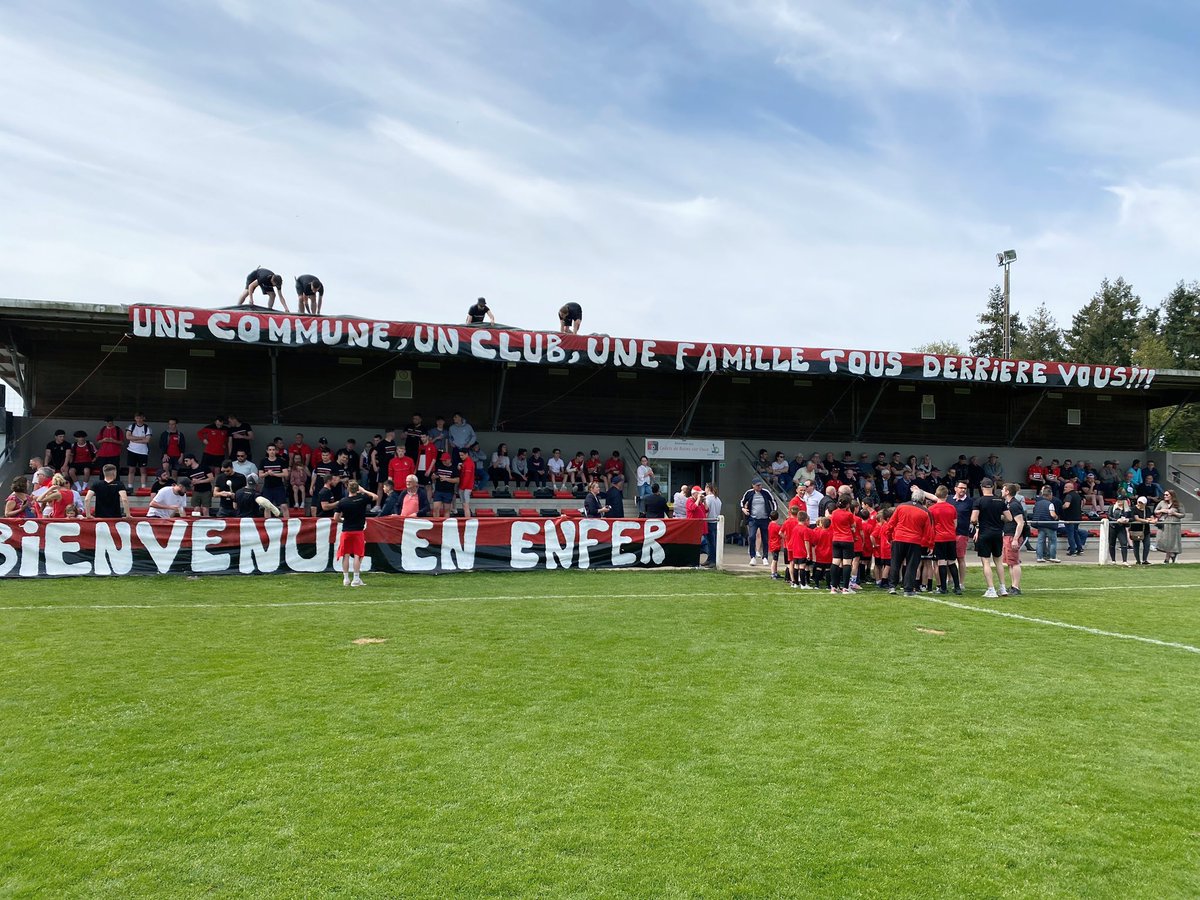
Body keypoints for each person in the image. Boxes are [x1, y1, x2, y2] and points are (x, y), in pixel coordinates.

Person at [971, 478, 1013, 598]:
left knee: (985, 561)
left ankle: (991, 589)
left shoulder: (978, 501)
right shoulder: (1000, 500)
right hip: (997, 533)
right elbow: (1009, 518)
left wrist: (978, 523)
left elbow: (973, 519)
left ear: (982, 487)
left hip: (984, 533)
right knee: (998, 561)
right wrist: (998, 518)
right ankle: (1003, 587)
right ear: (993, 487)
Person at [334, 480, 378, 587]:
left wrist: (343, 521)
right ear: (357, 489)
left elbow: (336, 518)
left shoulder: (342, 501)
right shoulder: (362, 498)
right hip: (358, 531)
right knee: (358, 555)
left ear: (347, 489)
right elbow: (375, 497)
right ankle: (356, 579)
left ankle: (345, 579)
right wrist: (364, 490)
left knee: (346, 555)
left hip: (346, 531)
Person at [930, 485, 962, 594]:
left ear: (936, 494)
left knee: (941, 562)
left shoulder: (932, 509)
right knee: (952, 561)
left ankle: (943, 587)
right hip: (951, 537)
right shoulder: (951, 507)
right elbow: (955, 524)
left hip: (939, 538)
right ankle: (957, 586)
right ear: (947, 495)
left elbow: (931, 525)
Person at [741, 477, 777, 566]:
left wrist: (773, 513)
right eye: (757, 485)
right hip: (753, 519)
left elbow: (773, 501)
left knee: (765, 538)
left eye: (760, 485)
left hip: (765, 519)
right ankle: (752, 557)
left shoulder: (765, 492)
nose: (759, 487)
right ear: (753, 486)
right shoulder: (749, 493)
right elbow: (742, 501)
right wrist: (744, 509)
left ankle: (765, 557)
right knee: (752, 536)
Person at [1000, 482, 1026, 595]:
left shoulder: (1014, 505)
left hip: (1012, 536)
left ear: (1007, 492)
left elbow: (1020, 522)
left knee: (1014, 562)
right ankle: (1013, 585)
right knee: (1010, 562)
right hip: (1008, 534)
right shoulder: (1008, 503)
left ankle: (1016, 587)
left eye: (1003, 489)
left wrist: (1015, 539)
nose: (1001, 491)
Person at [258, 444, 289, 519]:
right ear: (267, 451)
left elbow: (286, 473)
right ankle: (267, 525)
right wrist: (267, 473)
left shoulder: (281, 461)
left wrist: (274, 474)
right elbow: (260, 475)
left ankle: (288, 523)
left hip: (279, 487)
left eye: (273, 450)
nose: (272, 451)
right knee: (267, 507)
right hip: (268, 487)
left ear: (276, 451)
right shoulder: (263, 461)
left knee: (283, 506)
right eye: (270, 450)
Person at [1154, 490, 1184, 563]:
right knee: (1163, 540)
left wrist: (1174, 513)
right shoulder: (1162, 503)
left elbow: (1182, 515)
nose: (1165, 496)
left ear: (1171, 495)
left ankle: (1167, 558)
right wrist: (1162, 510)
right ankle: (1172, 555)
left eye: (1167, 495)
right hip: (1164, 524)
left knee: (1172, 541)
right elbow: (1155, 511)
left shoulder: (1178, 504)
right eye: (1164, 495)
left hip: (1174, 525)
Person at [1032, 486, 1059, 563]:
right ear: (1049, 495)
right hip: (1049, 525)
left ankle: (1039, 557)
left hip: (1040, 524)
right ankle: (1052, 557)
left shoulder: (1037, 503)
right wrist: (1057, 517)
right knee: (1053, 541)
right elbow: (1053, 515)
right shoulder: (1050, 504)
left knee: (1040, 541)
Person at [125, 413, 152, 490]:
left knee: (143, 470)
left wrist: (134, 439)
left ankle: (143, 487)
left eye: (140, 418)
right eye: (137, 418)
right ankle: (130, 486)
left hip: (143, 452)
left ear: (143, 418)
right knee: (131, 469)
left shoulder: (147, 428)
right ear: (135, 418)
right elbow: (128, 437)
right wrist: (141, 438)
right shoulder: (131, 426)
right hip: (131, 450)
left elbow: (147, 440)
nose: (139, 419)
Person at [1060, 480, 1084, 556]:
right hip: (1077, 517)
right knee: (1075, 533)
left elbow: (1066, 505)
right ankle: (1079, 548)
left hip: (1069, 518)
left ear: (1071, 488)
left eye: (1066, 487)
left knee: (1070, 534)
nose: (1064, 488)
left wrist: (1061, 507)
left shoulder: (1069, 495)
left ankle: (1072, 550)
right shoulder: (1077, 495)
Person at [1108, 496, 1133, 566]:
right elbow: (1109, 516)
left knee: (1124, 543)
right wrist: (1116, 520)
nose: (1119, 502)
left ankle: (1124, 560)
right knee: (1112, 544)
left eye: (1121, 501)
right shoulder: (1112, 507)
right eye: (1118, 500)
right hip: (1112, 527)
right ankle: (1113, 560)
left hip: (1121, 527)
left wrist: (1127, 520)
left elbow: (1131, 517)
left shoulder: (1127, 509)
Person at [431, 452, 459, 517]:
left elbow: (457, 480)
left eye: (445, 460)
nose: (443, 462)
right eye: (443, 460)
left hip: (448, 491)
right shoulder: (439, 465)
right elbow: (433, 477)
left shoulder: (454, 468)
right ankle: (436, 524)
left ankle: (446, 525)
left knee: (446, 510)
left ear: (449, 460)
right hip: (438, 490)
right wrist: (434, 477)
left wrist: (446, 479)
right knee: (435, 509)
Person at [703, 484, 722, 568]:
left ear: (708, 488)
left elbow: (706, 511)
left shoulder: (707, 499)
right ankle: (710, 559)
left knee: (710, 543)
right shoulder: (718, 499)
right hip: (715, 521)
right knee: (713, 542)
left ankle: (712, 560)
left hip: (709, 521)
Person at [1130, 497, 1152, 565]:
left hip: (1145, 529)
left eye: (1141, 503)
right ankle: (1138, 560)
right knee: (1136, 545)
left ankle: (1144, 559)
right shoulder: (1133, 509)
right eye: (1139, 502)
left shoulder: (1147, 509)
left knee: (1147, 544)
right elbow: (1136, 518)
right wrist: (1145, 520)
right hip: (1136, 529)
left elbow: (1150, 517)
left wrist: (1151, 519)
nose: (1139, 504)